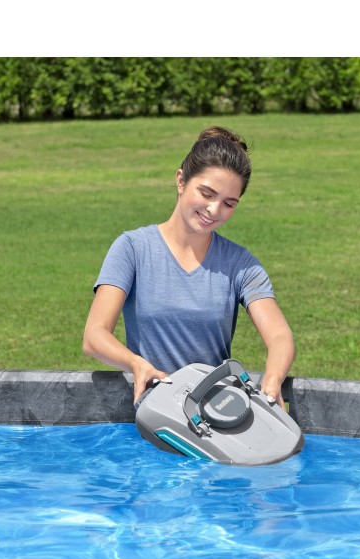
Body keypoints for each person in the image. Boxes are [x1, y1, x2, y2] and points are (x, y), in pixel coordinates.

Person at [83, 125, 296, 408]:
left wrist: (273, 378)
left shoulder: (240, 264)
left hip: (214, 413)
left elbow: (280, 336)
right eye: (207, 193)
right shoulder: (132, 249)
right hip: (154, 409)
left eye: (229, 203)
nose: (214, 210)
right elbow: (94, 336)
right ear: (181, 180)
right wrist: (135, 363)